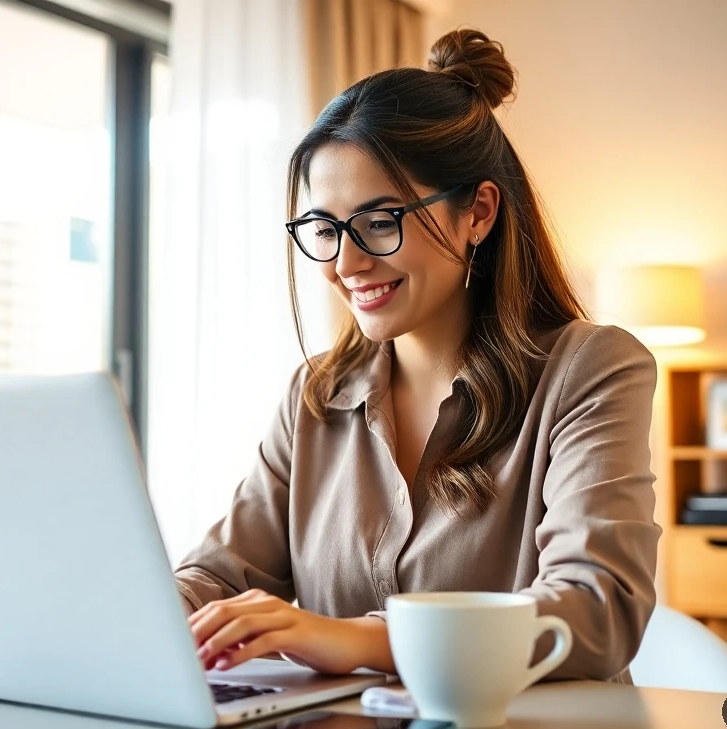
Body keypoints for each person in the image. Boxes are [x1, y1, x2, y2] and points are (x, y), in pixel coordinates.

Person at [175, 28, 660, 683]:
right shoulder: (314, 397)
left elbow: (598, 611)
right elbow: (217, 573)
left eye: (380, 221)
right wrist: (158, 617)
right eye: (325, 228)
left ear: (478, 213)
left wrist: (357, 640)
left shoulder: (589, 371)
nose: (346, 263)